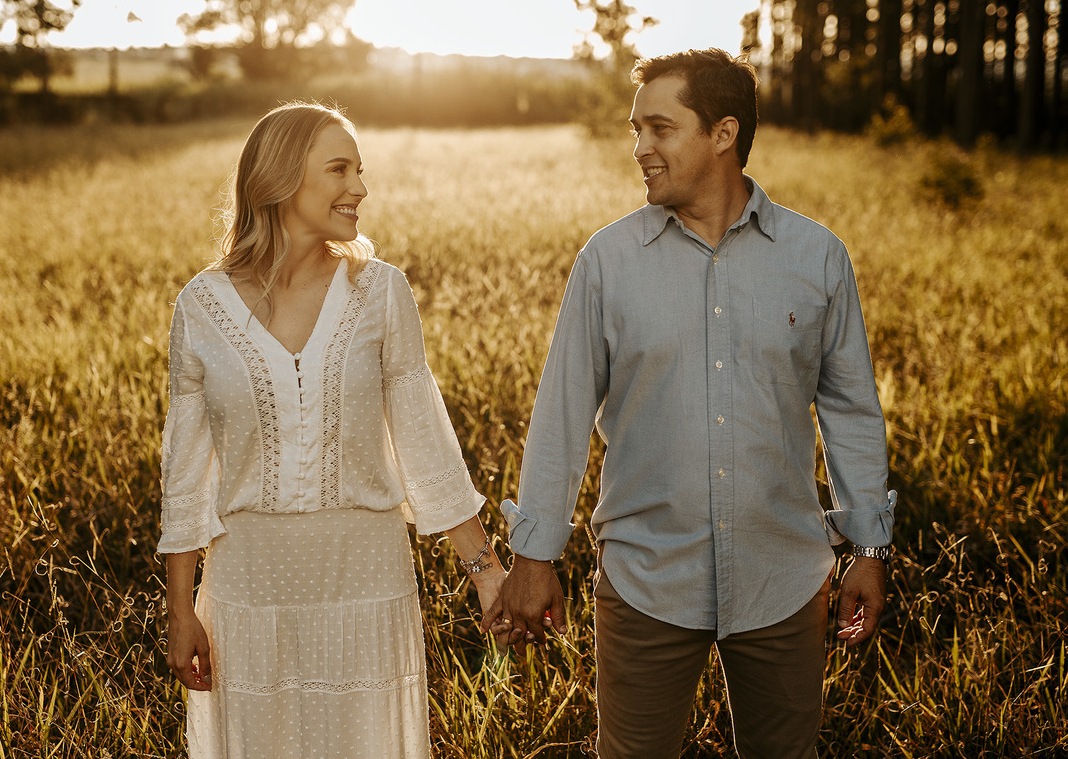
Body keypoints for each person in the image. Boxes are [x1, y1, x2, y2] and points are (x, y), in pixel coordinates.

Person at [483, 48, 896, 758]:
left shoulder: (818, 257)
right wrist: (533, 555)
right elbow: (562, 412)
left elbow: (851, 411)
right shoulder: (607, 262)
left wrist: (871, 547)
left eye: (660, 129)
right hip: (646, 581)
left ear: (723, 134)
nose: (640, 149)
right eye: (635, 130)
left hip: (785, 579)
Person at [158, 101, 505, 758]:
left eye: (361, 170)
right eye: (340, 169)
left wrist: (485, 572)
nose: (360, 189)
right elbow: (185, 474)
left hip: (366, 582)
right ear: (281, 180)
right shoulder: (201, 305)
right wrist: (181, 611)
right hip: (248, 589)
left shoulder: (381, 292)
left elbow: (424, 441)